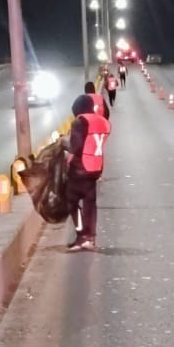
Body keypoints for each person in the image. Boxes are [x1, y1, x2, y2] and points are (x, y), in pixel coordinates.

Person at [65, 90, 110, 251]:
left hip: (79, 169)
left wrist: (67, 163)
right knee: (90, 203)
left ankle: (81, 235)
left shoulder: (80, 121)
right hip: (96, 167)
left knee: (72, 202)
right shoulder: (102, 122)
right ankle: (90, 237)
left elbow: (75, 146)